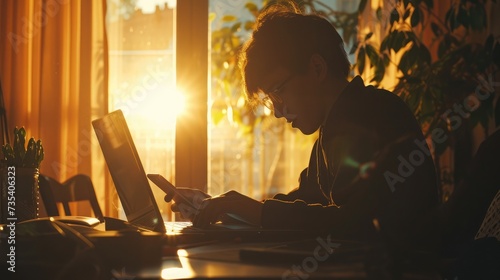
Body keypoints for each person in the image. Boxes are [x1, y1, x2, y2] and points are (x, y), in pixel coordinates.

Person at [166, 4, 439, 252]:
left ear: (317, 68)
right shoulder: (331, 132)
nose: (276, 111)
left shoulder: (372, 114)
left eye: (278, 92)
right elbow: (303, 206)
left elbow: (355, 221)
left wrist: (252, 211)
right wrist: (222, 206)